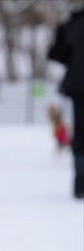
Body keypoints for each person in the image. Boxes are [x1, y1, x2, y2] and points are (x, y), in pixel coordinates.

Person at [48, 8, 84, 199]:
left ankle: (80, 183)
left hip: (78, 85)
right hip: (78, 84)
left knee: (80, 133)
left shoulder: (71, 24)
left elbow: (56, 54)